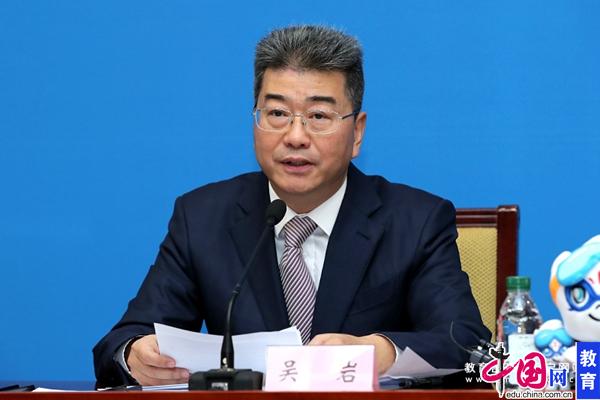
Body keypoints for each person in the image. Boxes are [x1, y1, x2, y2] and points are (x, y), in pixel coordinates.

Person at [93, 24, 490, 388]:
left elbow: (469, 344)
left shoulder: (415, 221)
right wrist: (135, 355)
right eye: (278, 113)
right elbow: (121, 341)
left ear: (357, 133)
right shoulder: (202, 218)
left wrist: (380, 351)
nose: (295, 136)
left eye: (318, 115)